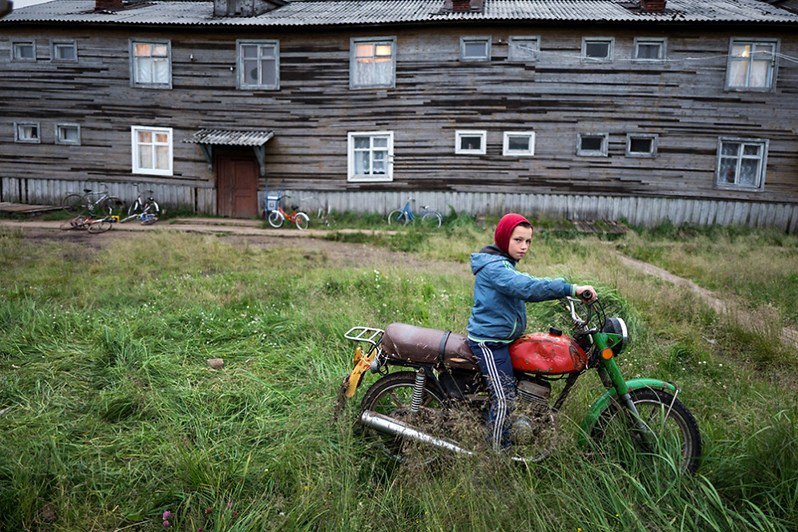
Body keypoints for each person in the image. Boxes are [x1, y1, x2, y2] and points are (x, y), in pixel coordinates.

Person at [466, 213, 595, 449]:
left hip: (504, 339)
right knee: (505, 401)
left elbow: (524, 282)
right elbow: (526, 287)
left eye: (528, 241)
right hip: (489, 343)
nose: (524, 246)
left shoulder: (503, 262)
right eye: (518, 240)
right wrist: (570, 288)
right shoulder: (495, 267)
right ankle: (494, 459)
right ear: (504, 238)